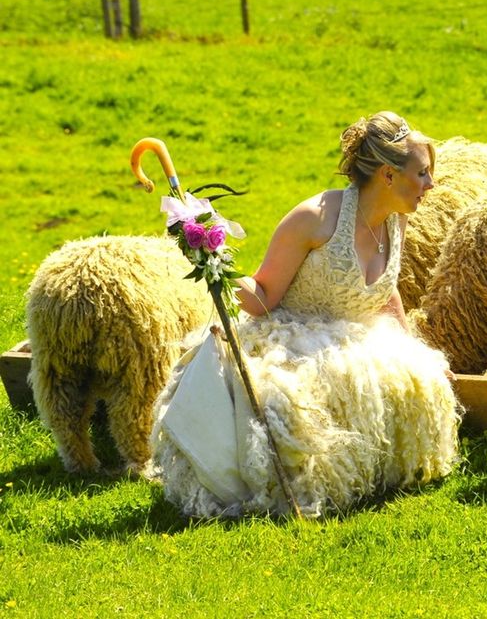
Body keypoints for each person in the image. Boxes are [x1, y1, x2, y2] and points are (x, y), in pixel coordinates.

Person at [147, 111, 462, 518]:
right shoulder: (313, 219)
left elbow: (385, 292)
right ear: (387, 175)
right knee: (290, 405)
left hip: (358, 337)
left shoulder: (395, 220)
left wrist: (412, 348)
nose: (430, 184)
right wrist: (215, 263)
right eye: (422, 173)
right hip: (296, 340)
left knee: (412, 377)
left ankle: (372, 474)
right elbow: (263, 296)